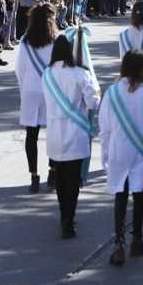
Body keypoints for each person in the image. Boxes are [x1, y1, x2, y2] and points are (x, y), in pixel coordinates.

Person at [99, 50, 143, 266]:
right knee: (139, 194)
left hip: (118, 150)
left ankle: (118, 244)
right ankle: (137, 239)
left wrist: (105, 155)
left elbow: (104, 128)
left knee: (120, 194)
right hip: (139, 150)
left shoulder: (112, 92)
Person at [43, 35, 100, 239]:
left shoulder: (46, 74)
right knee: (73, 180)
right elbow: (93, 103)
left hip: (55, 133)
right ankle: (70, 218)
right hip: (76, 132)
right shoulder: (80, 74)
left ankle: (63, 215)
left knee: (60, 178)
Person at [15, 5, 56, 193]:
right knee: (53, 133)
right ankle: (52, 172)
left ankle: (33, 175)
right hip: (51, 90)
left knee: (32, 135)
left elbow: (19, 70)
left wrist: (24, 89)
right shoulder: (56, 40)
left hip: (31, 90)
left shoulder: (24, 41)